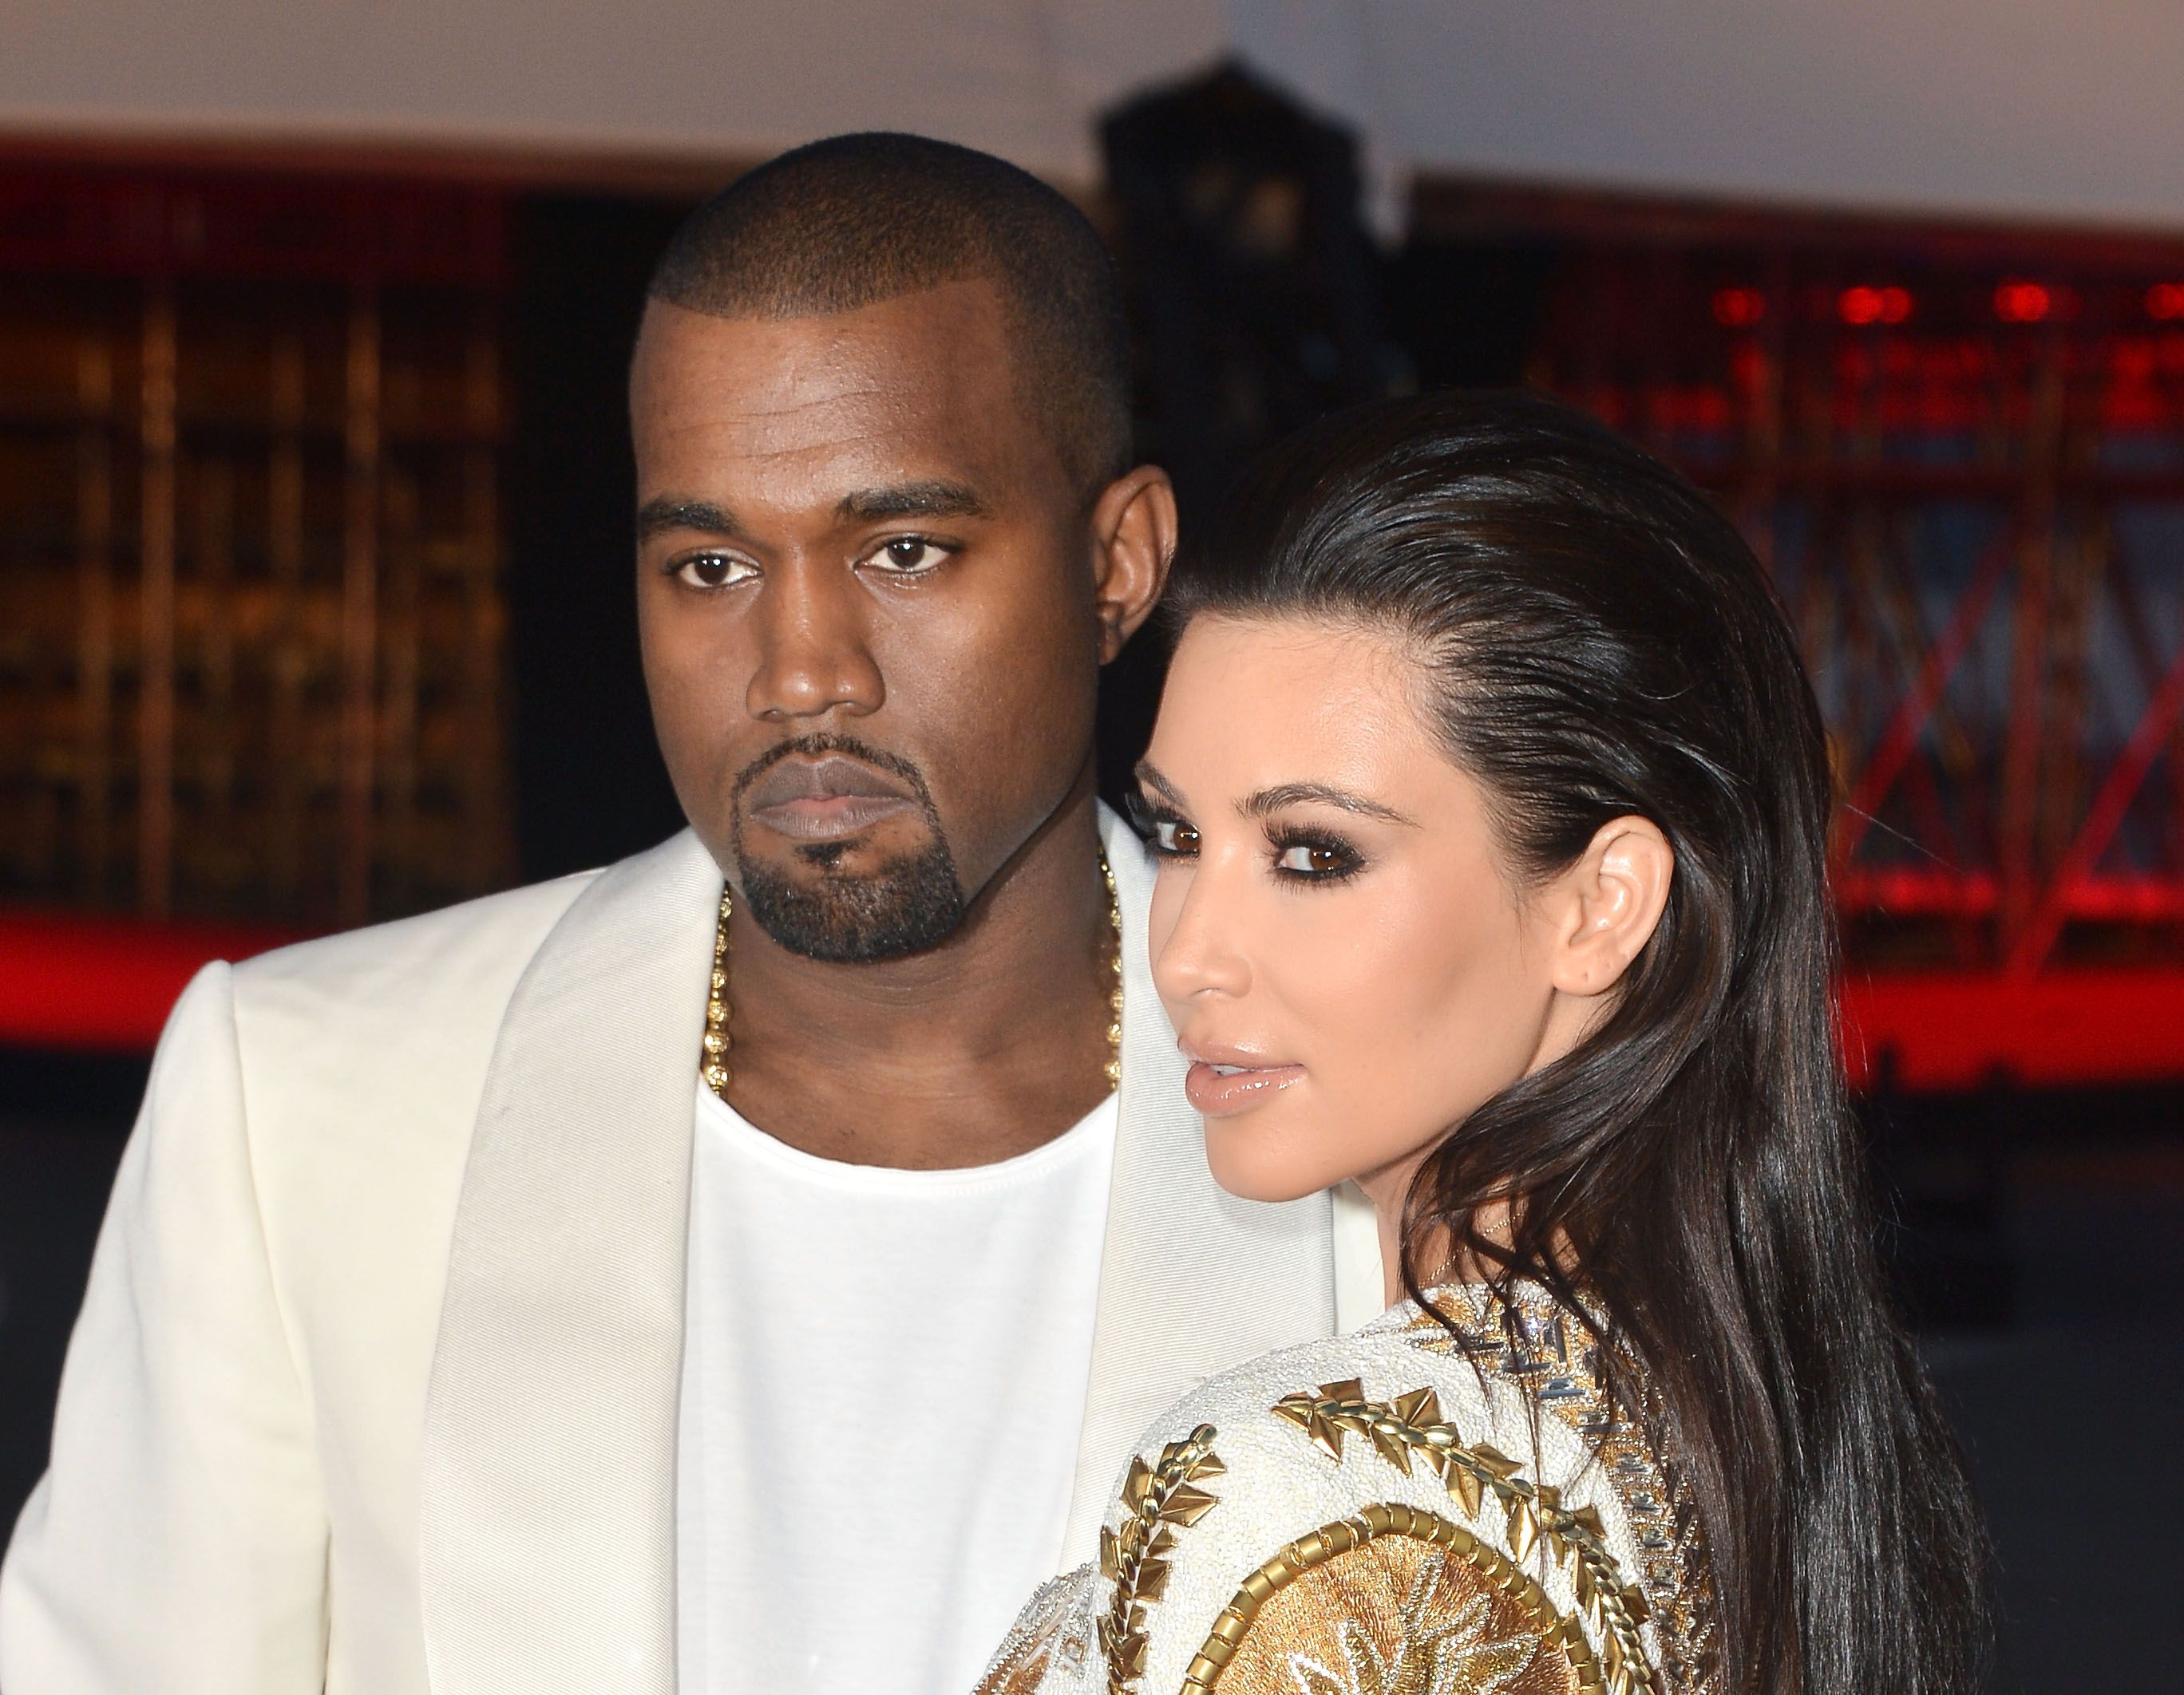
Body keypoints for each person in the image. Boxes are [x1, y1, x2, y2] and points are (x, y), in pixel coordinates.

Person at [0, 134, 1380, 1695]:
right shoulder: (310, 1104)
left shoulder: (1408, 1152)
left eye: (903, 550)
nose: (801, 673)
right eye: (712, 564)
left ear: (1118, 560)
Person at [982, 393, 1989, 1695]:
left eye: (1312, 854)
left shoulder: (1303, 1503)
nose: (1186, 951)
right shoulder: (1761, 1440)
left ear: (1600, 905)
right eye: (1178, 835)